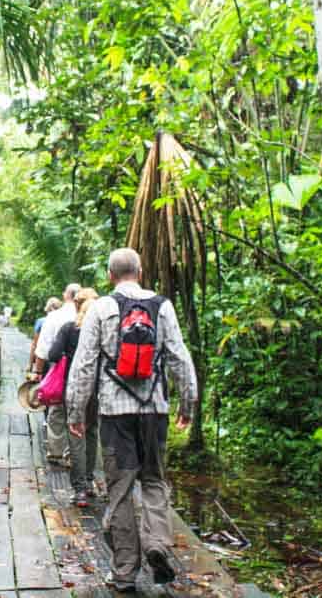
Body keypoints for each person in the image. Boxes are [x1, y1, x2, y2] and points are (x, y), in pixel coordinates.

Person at [65, 248, 198, 594]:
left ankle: (124, 572)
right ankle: (157, 543)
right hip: (155, 412)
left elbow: (83, 365)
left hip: (115, 417)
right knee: (154, 481)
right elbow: (179, 357)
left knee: (120, 492)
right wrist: (189, 403)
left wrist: (76, 412)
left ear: (110, 276)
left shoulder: (101, 308)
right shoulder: (162, 306)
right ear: (140, 271)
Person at [47, 287, 100, 507]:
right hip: (97, 388)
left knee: (75, 434)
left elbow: (52, 354)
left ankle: (79, 490)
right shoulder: (101, 328)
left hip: (74, 387)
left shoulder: (70, 329)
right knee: (91, 432)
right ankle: (88, 480)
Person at [30, 282, 81, 466]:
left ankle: (56, 451)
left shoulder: (54, 316)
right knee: (77, 411)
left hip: (60, 368)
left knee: (57, 409)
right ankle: (72, 453)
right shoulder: (85, 314)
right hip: (83, 370)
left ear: (65, 296)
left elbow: (43, 348)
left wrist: (37, 371)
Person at [29, 297, 62, 370]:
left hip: (42, 358)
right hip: (56, 359)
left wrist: (30, 365)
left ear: (48, 307)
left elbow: (35, 344)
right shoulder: (63, 321)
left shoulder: (41, 321)